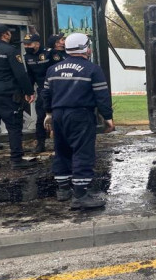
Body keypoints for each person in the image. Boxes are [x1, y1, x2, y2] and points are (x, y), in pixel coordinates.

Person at [42, 33, 114, 208]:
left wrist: (49, 114)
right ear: (85, 48)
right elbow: (101, 96)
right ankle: (80, 195)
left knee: (62, 150)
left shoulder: (53, 69)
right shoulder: (93, 69)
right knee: (82, 152)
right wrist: (108, 118)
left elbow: (45, 94)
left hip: (58, 115)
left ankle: (63, 189)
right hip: (80, 115)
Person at [0, 24, 36, 170]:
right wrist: (29, 91)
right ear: (5, 35)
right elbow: (20, 74)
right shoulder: (10, 51)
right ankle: (16, 159)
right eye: (9, 33)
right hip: (8, 95)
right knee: (14, 126)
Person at [22, 33, 51, 152]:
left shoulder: (49, 53)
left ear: (37, 44)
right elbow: (30, 75)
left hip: (55, 89)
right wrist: (29, 91)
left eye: (29, 44)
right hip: (42, 90)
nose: (26, 46)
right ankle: (40, 143)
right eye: (25, 44)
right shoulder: (27, 57)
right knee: (41, 117)